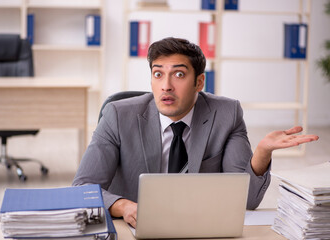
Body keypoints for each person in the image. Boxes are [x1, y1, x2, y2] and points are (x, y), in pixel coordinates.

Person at [73, 37, 319, 228]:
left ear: (199, 82)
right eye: (158, 74)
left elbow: (246, 202)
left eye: (179, 74)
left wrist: (262, 153)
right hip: (134, 228)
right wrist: (123, 205)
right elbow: (82, 188)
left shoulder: (226, 114)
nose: (166, 85)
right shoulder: (118, 115)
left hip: (200, 227)